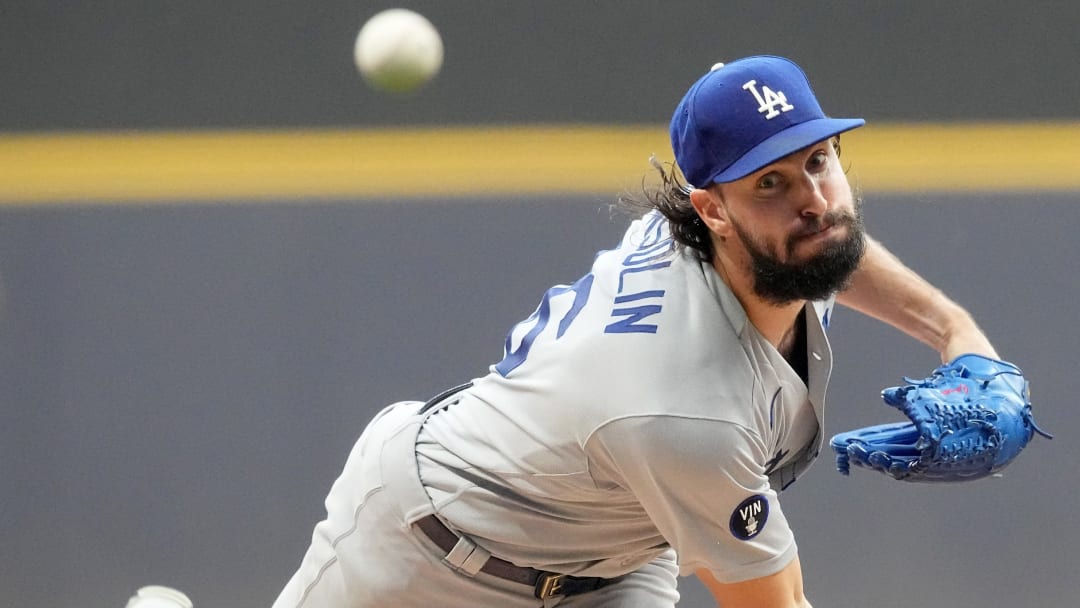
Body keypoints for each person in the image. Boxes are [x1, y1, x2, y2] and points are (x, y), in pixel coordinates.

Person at [272, 55, 1000, 608]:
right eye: (769, 183)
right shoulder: (682, 409)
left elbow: (832, 240)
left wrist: (955, 332)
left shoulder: (768, 242)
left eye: (819, 162)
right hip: (422, 551)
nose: (811, 200)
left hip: (613, 557)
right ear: (711, 209)